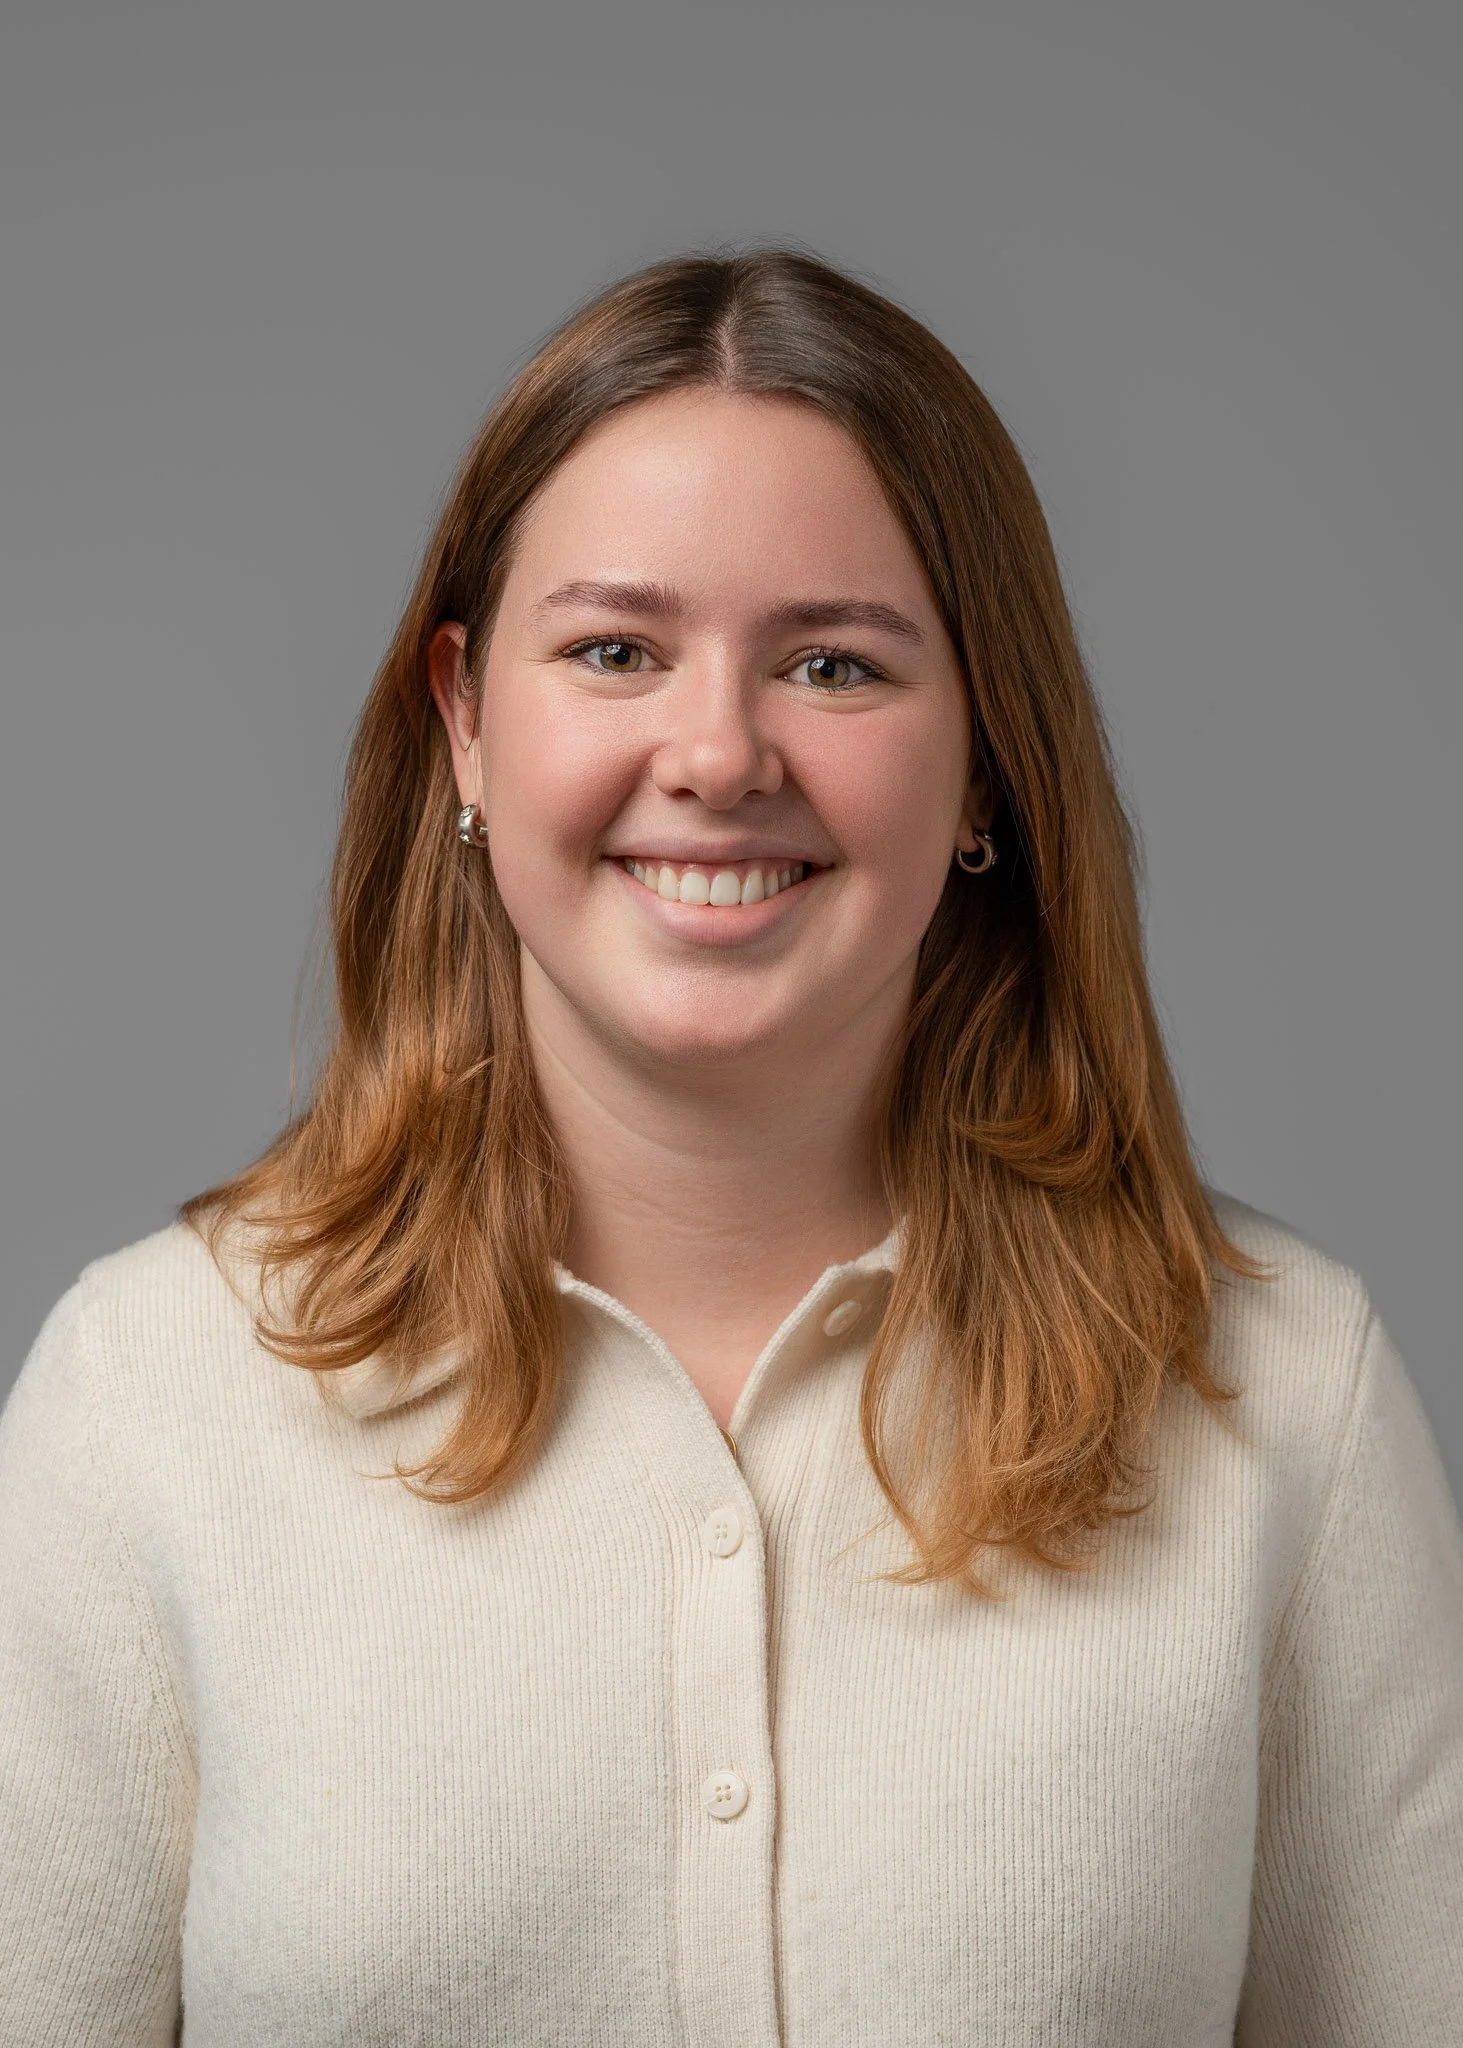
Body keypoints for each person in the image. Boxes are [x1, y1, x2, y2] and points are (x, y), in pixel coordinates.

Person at [2, 246, 1460, 2047]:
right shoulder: (146, 1399)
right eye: (614, 650)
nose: (715, 753)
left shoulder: (1286, 1402)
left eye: (834, 665)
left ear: (986, 756)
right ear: (464, 719)